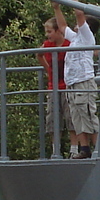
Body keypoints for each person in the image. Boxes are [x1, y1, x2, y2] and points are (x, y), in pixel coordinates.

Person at [53, 0, 99, 158]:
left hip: (83, 81)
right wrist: (57, 8)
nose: (76, 24)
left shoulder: (87, 37)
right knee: (77, 117)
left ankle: (98, 148)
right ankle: (84, 148)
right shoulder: (74, 39)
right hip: (72, 83)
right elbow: (62, 26)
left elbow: (79, 13)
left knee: (88, 114)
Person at [39, 16, 68, 155]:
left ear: (58, 31)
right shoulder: (47, 45)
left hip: (67, 85)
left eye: (49, 31)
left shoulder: (69, 44)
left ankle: (74, 148)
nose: (47, 35)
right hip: (53, 86)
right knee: (52, 118)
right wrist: (48, 69)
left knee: (70, 117)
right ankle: (55, 150)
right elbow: (39, 55)